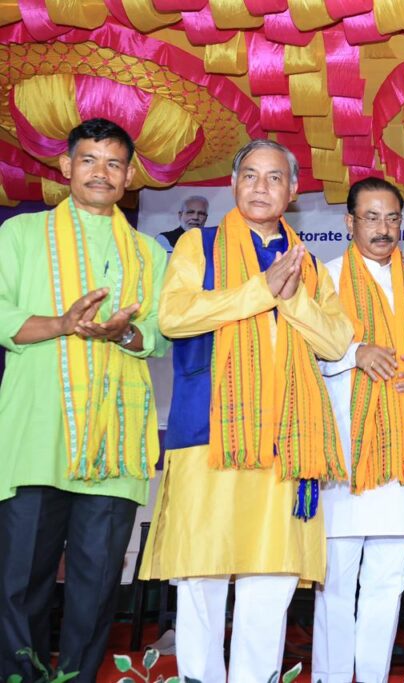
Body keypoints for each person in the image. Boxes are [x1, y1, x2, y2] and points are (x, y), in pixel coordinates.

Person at [139, 139, 353, 682]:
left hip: (287, 440)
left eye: (274, 177)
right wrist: (261, 290)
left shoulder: (309, 265)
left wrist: (292, 296)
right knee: (201, 574)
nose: (261, 187)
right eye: (250, 175)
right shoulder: (200, 245)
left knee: (272, 577)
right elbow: (174, 316)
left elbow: (336, 340)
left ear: (293, 190)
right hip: (209, 432)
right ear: (234, 184)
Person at [0, 118, 169, 680]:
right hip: (36, 437)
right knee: (20, 583)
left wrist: (124, 333)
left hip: (114, 449)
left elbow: (161, 334)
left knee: (96, 589)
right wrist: (62, 324)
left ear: (129, 176)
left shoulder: (149, 253)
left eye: (114, 163)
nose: (102, 172)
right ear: (66, 166)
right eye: (90, 160)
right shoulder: (21, 234)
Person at [312, 177, 404, 683]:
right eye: (371, 217)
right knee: (336, 583)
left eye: (392, 218)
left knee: (388, 584)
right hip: (343, 455)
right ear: (349, 222)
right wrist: (354, 353)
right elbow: (304, 355)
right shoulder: (325, 279)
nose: (383, 228)